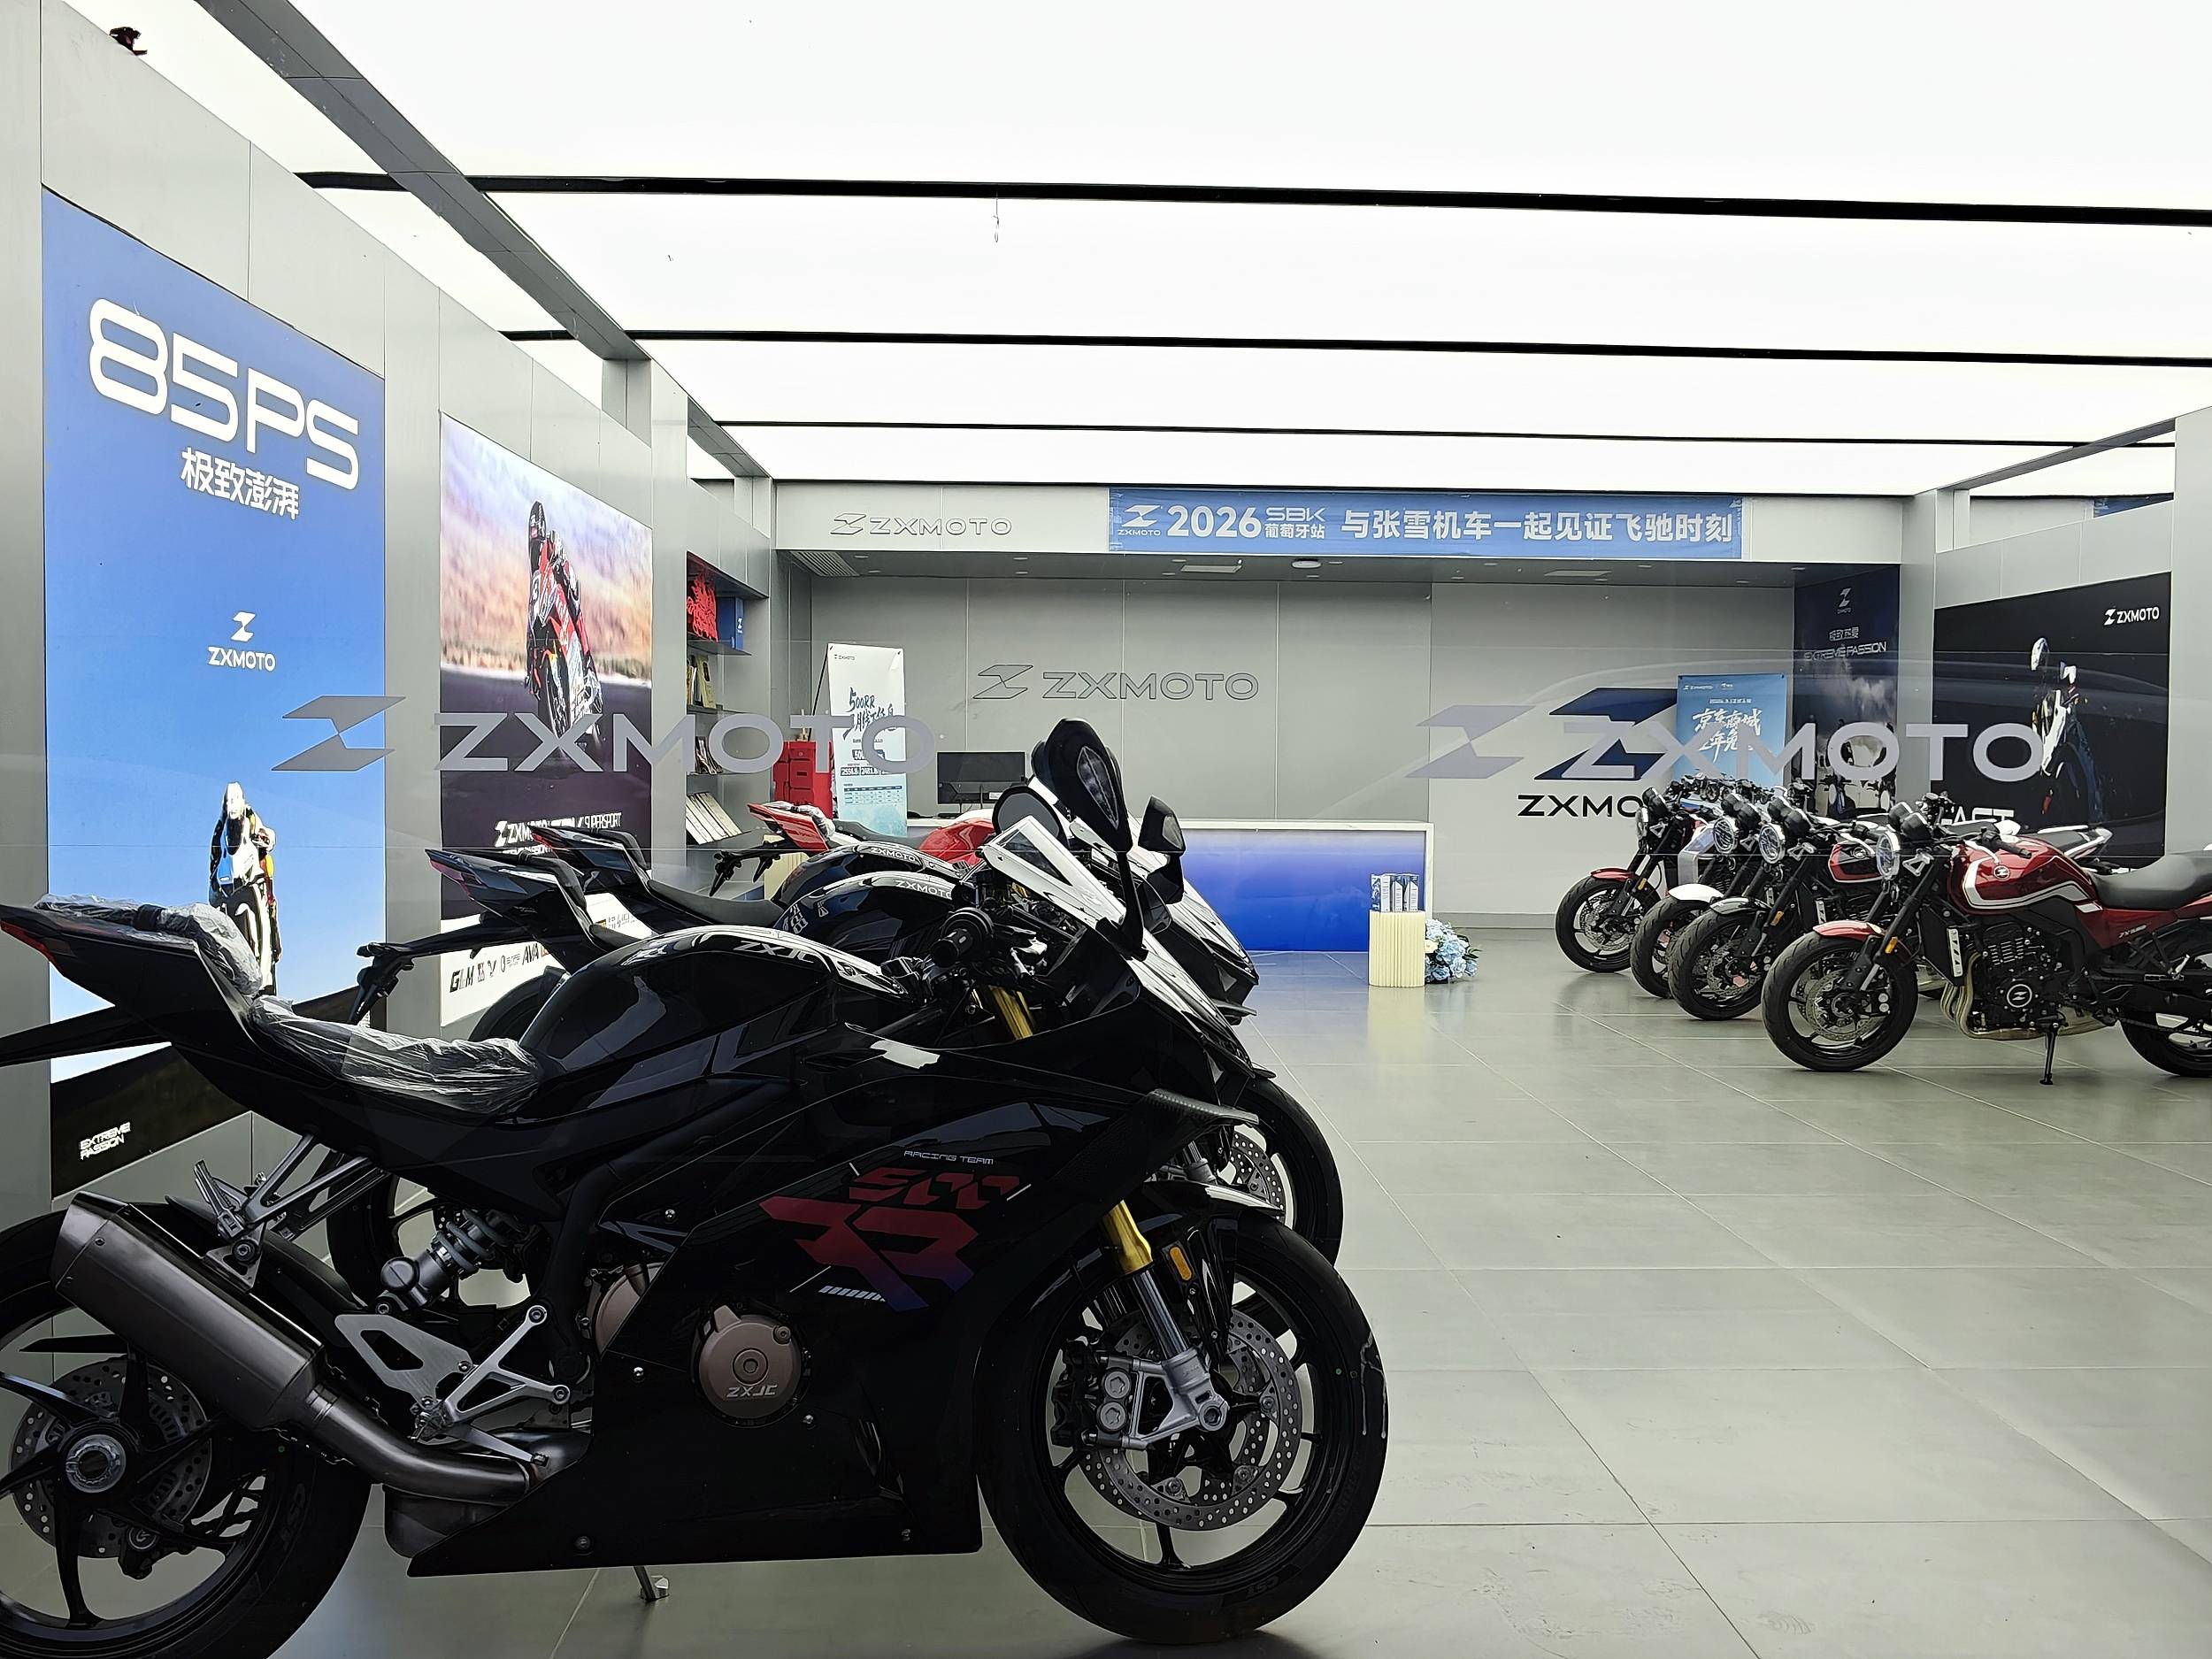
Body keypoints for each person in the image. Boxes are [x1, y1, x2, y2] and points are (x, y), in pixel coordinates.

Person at [209, 780, 280, 992]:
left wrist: (263, 839)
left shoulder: (251, 818)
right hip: (226, 886)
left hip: (254, 882)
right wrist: (215, 880)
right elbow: (214, 857)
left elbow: (269, 837)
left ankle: (265, 979)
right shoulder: (220, 830)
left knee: (267, 933)